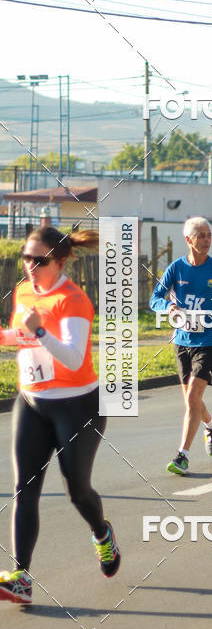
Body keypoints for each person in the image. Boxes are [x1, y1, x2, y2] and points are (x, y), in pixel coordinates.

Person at [0, 227, 120, 605]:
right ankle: (21, 576)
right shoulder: (22, 292)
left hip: (78, 407)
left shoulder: (74, 300)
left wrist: (39, 330)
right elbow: (23, 337)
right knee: (24, 489)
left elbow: (71, 356)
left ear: (61, 261)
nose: (30, 267)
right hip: (33, 402)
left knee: (77, 490)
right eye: (26, 257)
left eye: (40, 260)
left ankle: (102, 534)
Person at [150, 217, 212, 475]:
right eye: (201, 235)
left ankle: (182, 455)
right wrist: (169, 307)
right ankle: (211, 423)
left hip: (210, 340)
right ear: (188, 239)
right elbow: (155, 297)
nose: (206, 240)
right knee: (192, 400)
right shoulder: (176, 269)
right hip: (182, 341)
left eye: (209, 235)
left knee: (192, 398)